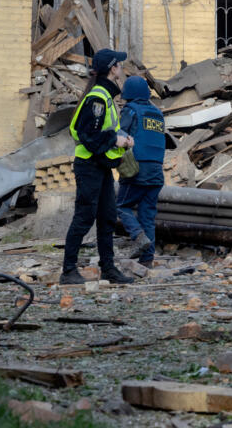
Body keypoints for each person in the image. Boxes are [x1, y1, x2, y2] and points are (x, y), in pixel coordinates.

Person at [61, 48, 137, 285]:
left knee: (107, 217)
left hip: (101, 165)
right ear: (112, 69)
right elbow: (87, 134)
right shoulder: (98, 98)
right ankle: (68, 270)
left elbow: (103, 131)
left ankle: (109, 269)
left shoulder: (105, 96)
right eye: (120, 66)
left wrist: (121, 139)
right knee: (84, 217)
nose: (122, 70)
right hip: (89, 166)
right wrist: (116, 140)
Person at [116, 76, 166, 267]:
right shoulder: (157, 114)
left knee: (121, 205)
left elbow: (121, 134)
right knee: (147, 214)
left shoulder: (131, 110)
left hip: (136, 168)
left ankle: (138, 236)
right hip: (157, 170)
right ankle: (147, 260)